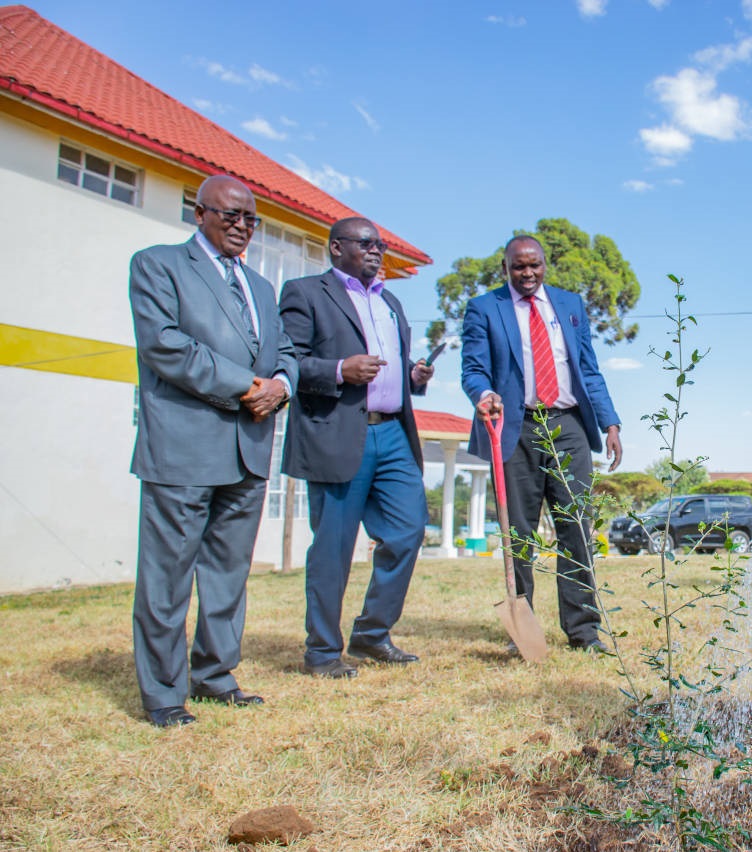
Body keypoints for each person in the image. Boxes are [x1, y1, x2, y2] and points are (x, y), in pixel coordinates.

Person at [129, 175, 298, 727]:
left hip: (249, 450)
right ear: (198, 212)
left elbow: (287, 351)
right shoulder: (158, 265)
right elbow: (165, 344)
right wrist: (245, 386)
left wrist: (282, 384)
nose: (241, 226)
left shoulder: (263, 287)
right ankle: (163, 694)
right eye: (229, 215)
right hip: (183, 447)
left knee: (228, 573)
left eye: (250, 218)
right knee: (167, 576)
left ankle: (215, 676)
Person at [280, 218, 434, 678]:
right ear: (335, 248)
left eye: (380, 244)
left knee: (408, 531)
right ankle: (323, 652)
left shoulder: (389, 301)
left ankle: (371, 633)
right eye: (366, 243)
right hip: (337, 434)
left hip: (392, 435)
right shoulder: (306, 293)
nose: (375, 250)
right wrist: (338, 370)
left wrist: (413, 377)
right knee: (333, 547)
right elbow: (287, 360)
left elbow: (394, 365)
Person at [461, 235, 623, 651]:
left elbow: (588, 368)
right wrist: (484, 395)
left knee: (577, 531)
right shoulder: (484, 308)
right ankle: (524, 633)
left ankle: (585, 632)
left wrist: (610, 423)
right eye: (519, 267)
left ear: (544, 264)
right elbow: (473, 369)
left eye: (534, 265)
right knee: (519, 535)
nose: (527, 274)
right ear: (505, 268)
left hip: (568, 426)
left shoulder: (569, 305)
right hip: (515, 429)